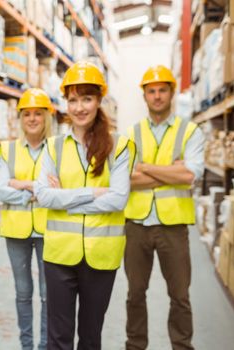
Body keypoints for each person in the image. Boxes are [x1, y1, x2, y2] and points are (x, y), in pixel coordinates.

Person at [34, 61, 135, 350]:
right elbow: (43, 195)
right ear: (65, 102)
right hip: (59, 257)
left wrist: (65, 198)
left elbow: (118, 199)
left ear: (99, 100)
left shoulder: (119, 145)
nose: (79, 107)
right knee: (58, 338)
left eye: (87, 99)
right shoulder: (53, 146)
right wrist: (92, 193)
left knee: (91, 338)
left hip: (101, 257)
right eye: (73, 100)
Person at [124, 65, 204, 350]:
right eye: (151, 91)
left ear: (171, 93)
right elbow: (126, 180)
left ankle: (182, 346)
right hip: (137, 225)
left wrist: (145, 169)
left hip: (173, 226)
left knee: (180, 295)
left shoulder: (189, 131)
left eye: (162, 90)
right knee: (135, 294)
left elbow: (190, 176)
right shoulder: (132, 133)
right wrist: (170, 172)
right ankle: (135, 345)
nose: (157, 96)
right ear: (144, 96)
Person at [0, 88, 52, 350]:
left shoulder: (57, 148)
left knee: (47, 294)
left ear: (46, 117)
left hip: (48, 230)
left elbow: (58, 188)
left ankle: (44, 346)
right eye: (27, 114)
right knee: (22, 293)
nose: (32, 119)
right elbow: (1, 189)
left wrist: (20, 185)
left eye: (37, 114)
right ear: (20, 118)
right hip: (16, 231)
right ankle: (27, 346)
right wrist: (36, 191)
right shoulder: (7, 149)